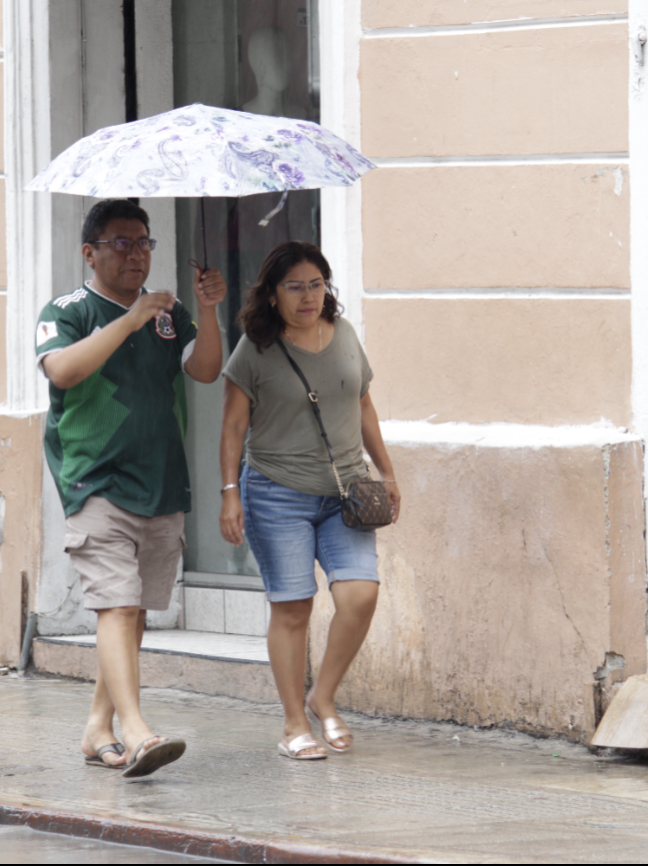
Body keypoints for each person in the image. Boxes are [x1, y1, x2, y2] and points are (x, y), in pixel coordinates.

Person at [37, 199, 226, 778]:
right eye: (122, 243)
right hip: (95, 479)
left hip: (161, 479)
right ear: (90, 252)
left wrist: (209, 310)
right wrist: (128, 320)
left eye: (143, 242)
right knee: (117, 605)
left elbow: (206, 369)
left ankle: (98, 729)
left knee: (133, 611)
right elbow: (63, 371)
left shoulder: (168, 315)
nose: (136, 253)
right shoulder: (68, 309)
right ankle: (138, 731)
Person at [219, 241, 400, 760]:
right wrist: (230, 492)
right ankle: (293, 724)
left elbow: (362, 403)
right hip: (276, 492)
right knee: (293, 606)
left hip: (345, 493)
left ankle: (323, 695)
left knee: (360, 595)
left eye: (316, 284)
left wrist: (386, 470)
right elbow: (232, 425)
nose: (307, 296)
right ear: (272, 295)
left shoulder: (342, 334)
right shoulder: (255, 348)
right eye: (294, 287)